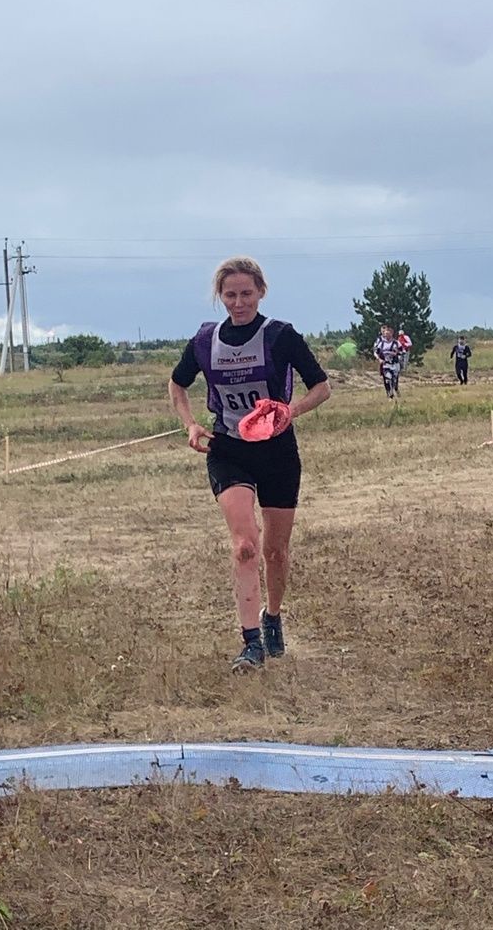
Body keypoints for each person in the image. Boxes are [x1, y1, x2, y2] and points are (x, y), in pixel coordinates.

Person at [168, 256, 331, 674]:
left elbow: (322, 388)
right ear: (219, 297)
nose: (238, 303)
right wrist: (189, 425)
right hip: (229, 450)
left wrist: (289, 412)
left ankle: (272, 617)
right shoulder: (205, 341)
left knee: (275, 551)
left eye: (246, 293)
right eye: (230, 295)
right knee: (245, 546)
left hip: (277, 451)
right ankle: (251, 644)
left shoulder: (280, 336)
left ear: (261, 291)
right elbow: (178, 383)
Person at [374, 324, 401, 398]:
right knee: (387, 378)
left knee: (394, 379)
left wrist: (396, 353)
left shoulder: (396, 342)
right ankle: (389, 394)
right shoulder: (380, 341)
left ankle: (395, 389)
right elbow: (375, 351)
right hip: (385, 362)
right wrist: (379, 359)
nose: (386, 335)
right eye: (384, 333)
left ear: (391, 333)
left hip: (394, 363)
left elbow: (402, 351)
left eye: (387, 333)